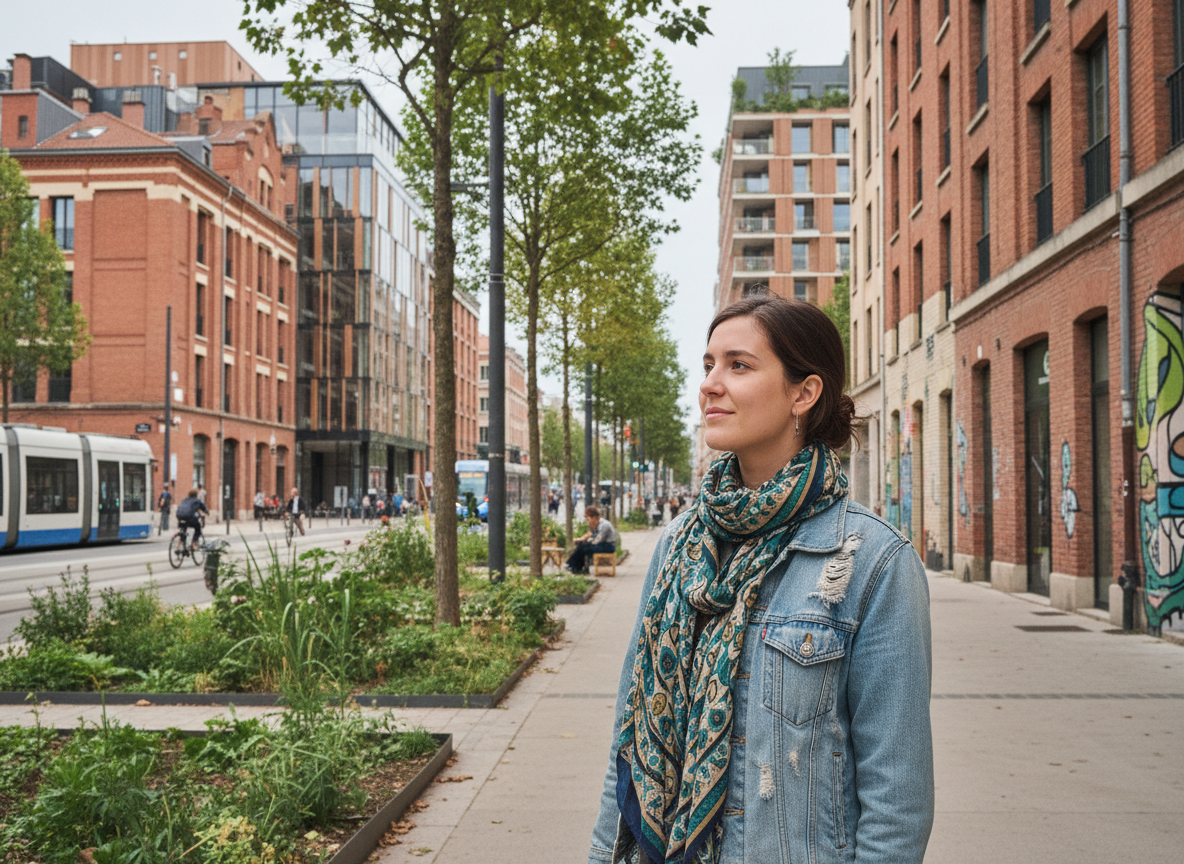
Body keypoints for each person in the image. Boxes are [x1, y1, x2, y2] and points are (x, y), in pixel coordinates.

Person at [588, 295, 933, 864]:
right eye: (708, 366)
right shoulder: (680, 546)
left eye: (738, 365)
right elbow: (629, 737)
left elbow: (897, 795)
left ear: (804, 392)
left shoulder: (872, 561)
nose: (710, 385)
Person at [566, 505, 618, 575]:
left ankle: (572, 565)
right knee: (582, 546)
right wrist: (584, 541)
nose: (588, 522)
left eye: (588, 519)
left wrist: (588, 542)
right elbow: (592, 535)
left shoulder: (604, 525)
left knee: (584, 548)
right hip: (602, 544)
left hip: (608, 546)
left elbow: (598, 539)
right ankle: (576, 567)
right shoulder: (598, 524)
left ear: (594, 517)